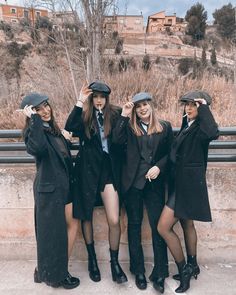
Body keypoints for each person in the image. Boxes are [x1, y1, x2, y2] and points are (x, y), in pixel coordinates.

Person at [65, 81, 128, 284]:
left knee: (114, 219)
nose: (99, 100)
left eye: (102, 97)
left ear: (107, 98)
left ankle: (114, 263)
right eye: (96, 97)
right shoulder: (84, 116)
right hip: (86, 171)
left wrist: (127, 114)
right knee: (86, 216)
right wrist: (80, 101)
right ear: (92, 99)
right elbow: (69, 128)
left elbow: (122, 138)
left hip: (109, 172)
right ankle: (92, 260)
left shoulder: (116, 113)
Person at [157, 90, 219, 293]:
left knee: (163, 227)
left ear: (202, 109)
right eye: (187, 104)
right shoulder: (188, 126)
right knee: (186, 223)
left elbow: (213, 133)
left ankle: (184, 269)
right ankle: (193, 265)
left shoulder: (202, 129)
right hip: (180, 184)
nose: (189, 108)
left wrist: (205, 107)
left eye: (194, 105)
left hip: (189, 186)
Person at [112, 92, 173, 293]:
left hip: (154, 184)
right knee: (135, 226)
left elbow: (171, 153)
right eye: (138, 107)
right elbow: (116, 141)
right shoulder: (129, 128)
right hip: (133, 185)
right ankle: (138, 270)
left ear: (151, 105)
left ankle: (160, 273)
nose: (142, 109)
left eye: (145, 105)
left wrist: (160, 167)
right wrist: (125, 114)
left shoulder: (164, 126)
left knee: (158, 227)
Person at [20, 93, 80, 289]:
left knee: (71, 225)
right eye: (38, 109)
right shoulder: (34, 132)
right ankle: (56, 275)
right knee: (51, 235)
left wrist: (66, 139)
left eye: (46, 106)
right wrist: (34, 120)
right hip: (50, 191)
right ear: (31, 114)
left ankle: (51, 269)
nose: (45, 111)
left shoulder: (53, 130)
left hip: (65, 187)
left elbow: (59, 154)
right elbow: (37, 148)